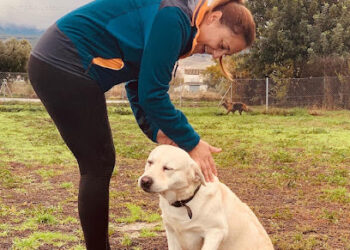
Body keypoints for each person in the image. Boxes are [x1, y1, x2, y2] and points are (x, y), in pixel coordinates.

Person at [27, 0, 255, 248]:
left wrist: (155, 130)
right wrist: (192, 142)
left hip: (57, 62)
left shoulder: (181, 26)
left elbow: (137, 82)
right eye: (222, 45)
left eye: (225, 53)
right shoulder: (174, 19)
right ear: (213, 18)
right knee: (98, 163)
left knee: (98, 163)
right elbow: (152, 93)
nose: (217, 54)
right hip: (63, 62)